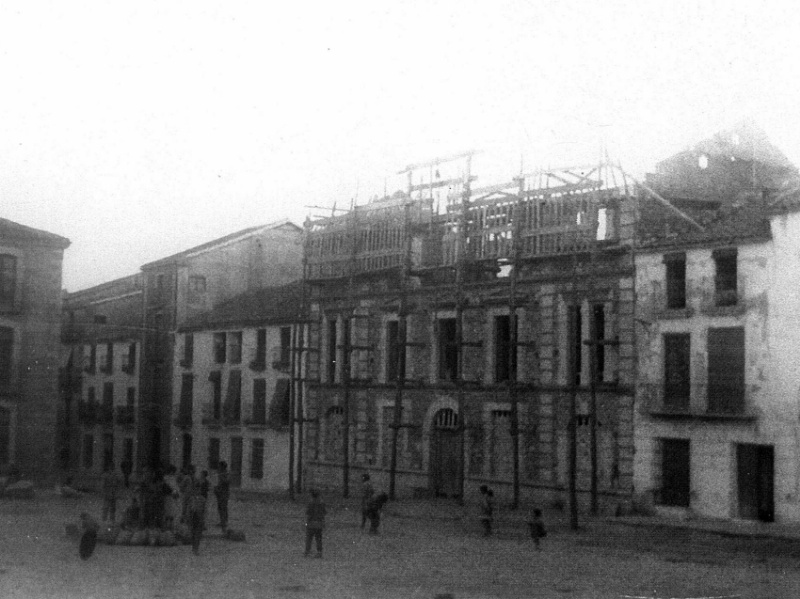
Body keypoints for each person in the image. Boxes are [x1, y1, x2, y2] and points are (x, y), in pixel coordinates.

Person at [188, 473, 208, 556]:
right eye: (196, 489)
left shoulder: (203, 499)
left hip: (199, 517)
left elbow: (204, 510)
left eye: (199, 489)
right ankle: (193, 547)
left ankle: (196, 548)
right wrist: (188, 517)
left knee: (198, 534)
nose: (198, 491)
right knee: (193, 533)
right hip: (193, 517)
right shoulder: (191, 499)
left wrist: (204, 519)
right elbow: (189, 509)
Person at [304, 490, 326, 558]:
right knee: (318, 538)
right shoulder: (321, 503)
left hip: (311, 523)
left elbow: (308, 513)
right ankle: (319, 552)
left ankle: (307, 551)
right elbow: (324, 512)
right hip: (319, 523)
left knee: (309, 538)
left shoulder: (310, 503)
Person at [214, 461, 230, 530]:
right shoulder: (221, 473)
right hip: (220, 493)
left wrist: (221, 476)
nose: (218, 468)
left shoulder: (226, 473)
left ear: (222, 467)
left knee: (223, 507)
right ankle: (222, 521)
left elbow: (226, 482)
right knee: (220, 507)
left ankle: (224, 522)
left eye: (219, 466)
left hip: (224, 493)